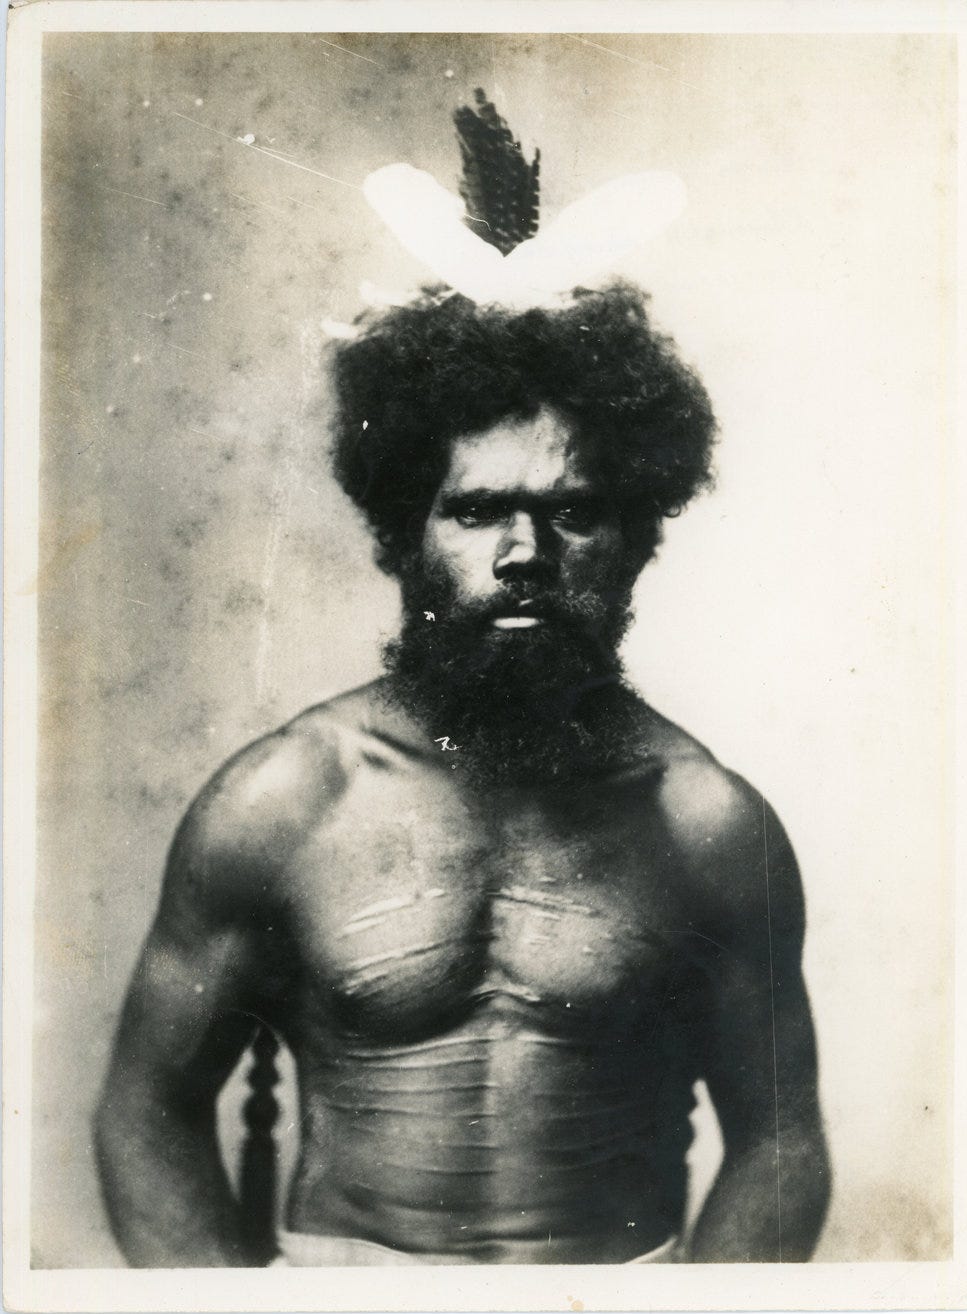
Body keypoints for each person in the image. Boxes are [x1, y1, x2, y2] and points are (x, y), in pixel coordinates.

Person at [94, 277, 830, 1267]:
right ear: (408, 536)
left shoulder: (708, 823)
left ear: (634, 540)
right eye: (479, 510)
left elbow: (780, 1141)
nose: (525, 553)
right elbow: (148, 1112)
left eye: (573, 512)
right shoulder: (286, 800)